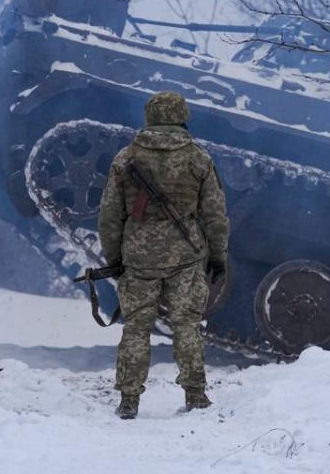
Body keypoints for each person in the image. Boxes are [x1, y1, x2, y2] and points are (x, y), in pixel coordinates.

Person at [98, 91, 229, 419]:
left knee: (136, 327)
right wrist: (218, 255)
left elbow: (110, 215)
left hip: (139, 258)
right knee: (186, 325)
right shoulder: (198, 158)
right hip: (185, 257)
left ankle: (129, 399)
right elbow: (214, 212)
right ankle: (196, 395)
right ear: (182, 115)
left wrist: (113, 257)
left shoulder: (126, 158)